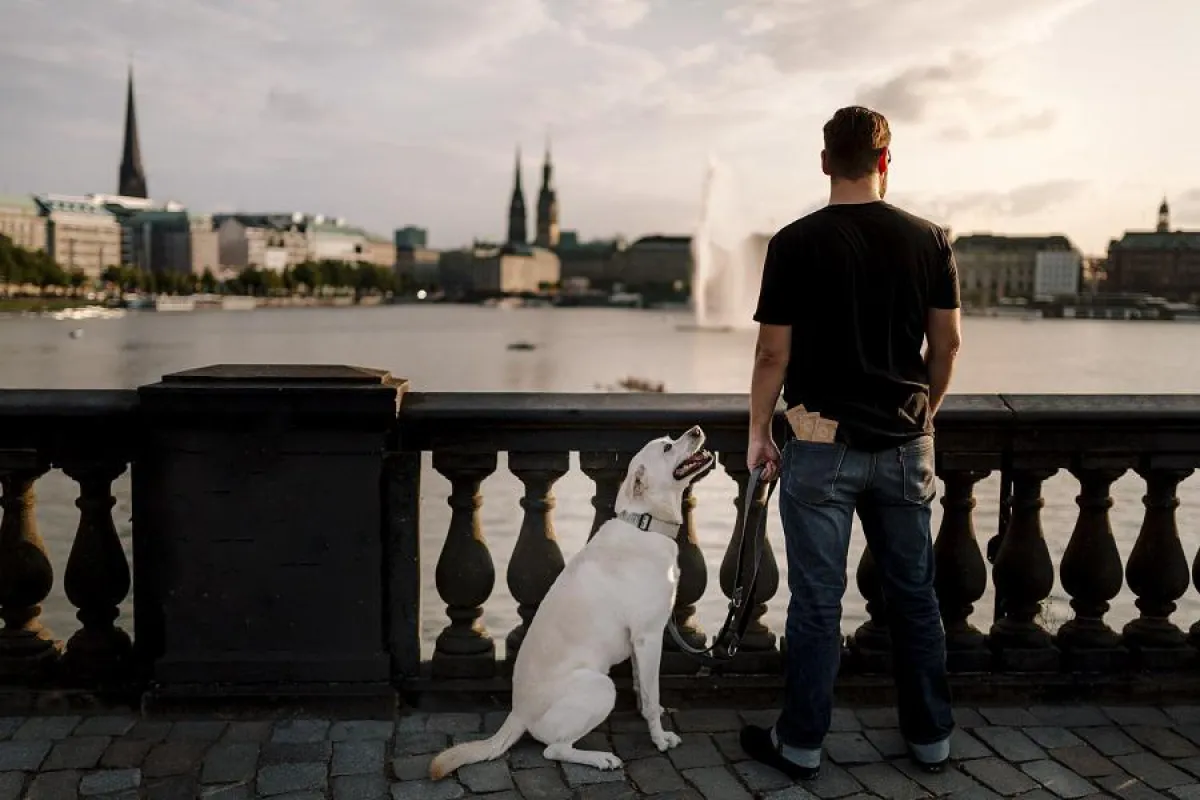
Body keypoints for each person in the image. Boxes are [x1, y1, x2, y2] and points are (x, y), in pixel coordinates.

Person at [741, 105, 962, 779]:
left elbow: (771, 355)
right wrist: (925, 416)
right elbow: (947, 343)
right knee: (915, 596)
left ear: (824, 163)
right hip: (904, 444)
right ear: (886, 163)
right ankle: (931, 740)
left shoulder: (794, 242)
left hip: (818, 442)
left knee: (816, 601)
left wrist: (757, 432)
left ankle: (802, 744)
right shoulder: (930, 239)